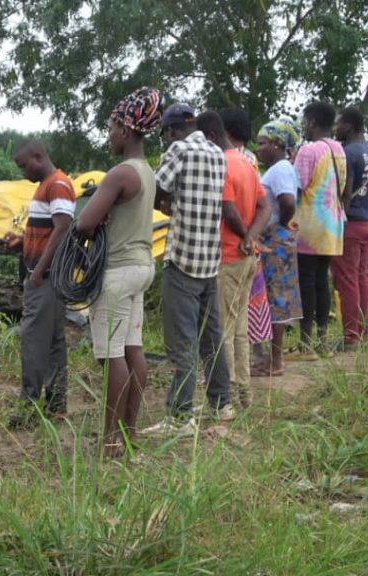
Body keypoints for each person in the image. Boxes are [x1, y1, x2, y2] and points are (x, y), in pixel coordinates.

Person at [76, 87, 162, 457]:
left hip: (117, 271)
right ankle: (130, 433)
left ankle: (110, 440)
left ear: (126, 131)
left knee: (112, 356)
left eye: (111, 128)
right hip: (142, 267)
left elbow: (83, 224)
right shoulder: (148, 172)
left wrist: (95, 213)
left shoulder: (120, 173)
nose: (109, 135)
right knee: (132, 350)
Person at [143, 103, 230, 436]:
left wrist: (163, 201)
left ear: (171, 131)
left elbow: (154, 190)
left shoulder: (178, 150)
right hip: (210, 259)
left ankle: (181, 416)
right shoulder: (217, 153)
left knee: (182, 342)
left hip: (182, 260)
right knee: (213, 337)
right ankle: (222, 403)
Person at [196, 110, 270, 410]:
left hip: (228, 256)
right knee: (239, 330)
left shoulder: (222, 164)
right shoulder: (246, 162)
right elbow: (265, 207)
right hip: (247, 259)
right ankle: (243, 396)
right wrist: (252, 238)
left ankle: (221, 402)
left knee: (221, 331)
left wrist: (244, 236)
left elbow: (228, 210)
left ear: (213, 135)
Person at [4, 140, 75, 429]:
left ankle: (29, 406)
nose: (22, 172)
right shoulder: (48, 185)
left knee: (33, 340)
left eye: (24, 165)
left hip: (45, 277)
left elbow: (63, 227)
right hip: (48, 276)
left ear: (38, 156)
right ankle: (56, 406)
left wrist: (39, 269)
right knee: (54, 342)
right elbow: (49, 230)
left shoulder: (57, 184)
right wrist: (23, 242)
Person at [293, 101, 347, 352]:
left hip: (309, 225)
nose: (304, 126)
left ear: (312, 122)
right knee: (321, 281)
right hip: (332, 224)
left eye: (305, 121)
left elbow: (298, 186)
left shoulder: (309, 150)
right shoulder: (339, 149)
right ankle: (322, 339)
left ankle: (305, 341)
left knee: (306, 281)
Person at [254, 119, 303, 376]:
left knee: (277, 298)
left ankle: (275, 361)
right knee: (270, 296)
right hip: (274, 236)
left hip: (275, 239)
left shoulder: (282, 168)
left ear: (277, 144)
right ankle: (270, 359)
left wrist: (278, 226)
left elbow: (287, 201)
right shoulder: (277, 168)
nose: (259, 148)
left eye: (262, 143)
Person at [332, 107, 368, 347]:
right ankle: (365, 332)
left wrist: (337, 219)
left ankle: (351, 336)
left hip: (350, 225)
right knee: (362, 278)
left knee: (347, 280)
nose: (335, 128)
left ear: (348, 126)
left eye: (339, 124)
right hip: (367, 222)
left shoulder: (348, 152)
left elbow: (346, 192)